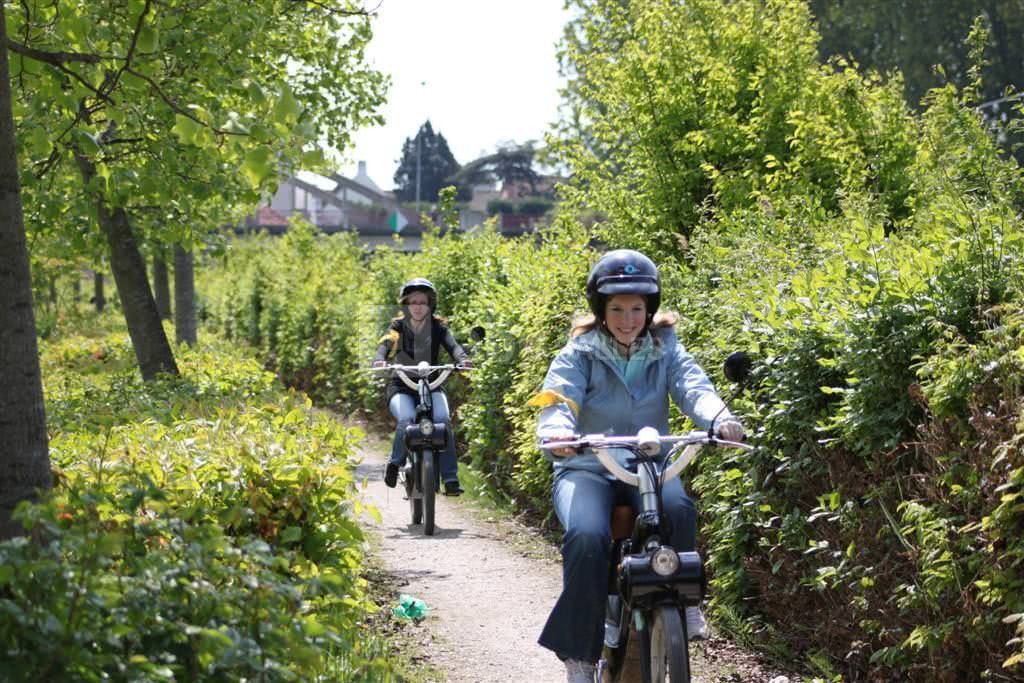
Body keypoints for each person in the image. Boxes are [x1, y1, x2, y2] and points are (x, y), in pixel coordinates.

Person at [530, 249, 744, 682]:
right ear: (600, 310)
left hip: (647, 463)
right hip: (586, 466)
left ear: (649, 310)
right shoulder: (578, 353)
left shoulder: (666, 347)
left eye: (636, 309)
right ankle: (580, 657)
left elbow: (693, 385)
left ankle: (685, 605)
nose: (627, 318)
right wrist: (558, 434)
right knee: (587, 535)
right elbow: (559, 398)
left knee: (680, 508)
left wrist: (720, 419)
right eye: (617, 309)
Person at [374, 278, 470, 496]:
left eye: (422, 302)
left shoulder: (439, 328)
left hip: (431, 386)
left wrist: (462, 359)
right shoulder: (396, 327)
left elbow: (454, 347)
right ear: (406, 305)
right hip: (402, 387)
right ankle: (395, 462)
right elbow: (385, 344)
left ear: (430, 305)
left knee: (443, 421)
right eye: (413, 302)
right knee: (406, 419)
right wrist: (380, 358)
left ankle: (450, 478)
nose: (417, 306)